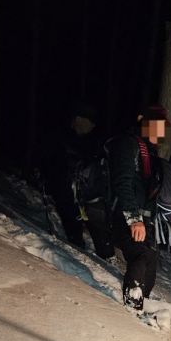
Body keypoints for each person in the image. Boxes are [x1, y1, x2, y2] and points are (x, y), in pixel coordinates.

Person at [107, 105, 171, 311]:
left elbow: (154, 195)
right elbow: (122, 182)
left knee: (150, 268)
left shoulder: (151, 157)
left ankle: (142, 305)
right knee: (140, 256)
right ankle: (132, 310)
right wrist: (133, 218)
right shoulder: (126, 144)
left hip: (146, 221)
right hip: (126, 215)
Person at [40, 101, 115, 259]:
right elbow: (50, 167)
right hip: (68, 195)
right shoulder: (59, 139)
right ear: (79, 119)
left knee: (101, 234)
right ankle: (77, 259)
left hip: (91, 196)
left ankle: (107, 259)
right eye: (90, 120)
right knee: (74, 233)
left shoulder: (94, 143)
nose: (93, 125)